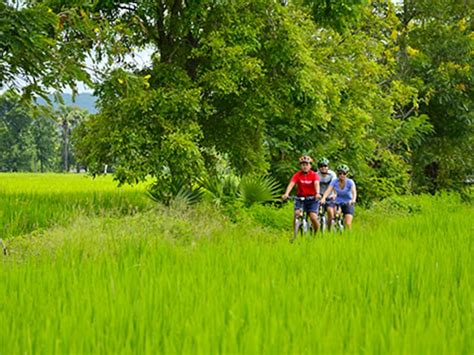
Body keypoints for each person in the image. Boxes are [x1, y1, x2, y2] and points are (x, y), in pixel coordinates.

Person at [282, 155, 321, 232]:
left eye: (307, 164)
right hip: (300, 198)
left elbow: (316, 184)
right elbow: (291, 184)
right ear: (300, 166)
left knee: (313, 217)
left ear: (310, 166)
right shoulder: (297, 175)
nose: (305, 167)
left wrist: (317, 193)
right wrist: (286, 193)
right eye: (303, 165)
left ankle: (317, 233)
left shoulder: (314, 175)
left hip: (312, 199)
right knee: (296, 214)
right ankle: (295, 234)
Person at [320, 164, 357, 230]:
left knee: (348, 223)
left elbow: (354, 192)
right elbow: (328, 190)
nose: (342, 175)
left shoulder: (350, 182)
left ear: (347, 174)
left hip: (348, 202)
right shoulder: (335, 181)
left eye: (344, 173)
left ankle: (349, 236)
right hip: (338, 202)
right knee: (334, 216)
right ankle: (334, 228)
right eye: (340, 173)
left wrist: (353, 200)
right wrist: (323, 198)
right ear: (337, 174)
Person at [316, 157, 337, 229]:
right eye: (321, 166)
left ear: (328, 166)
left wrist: (335, 194)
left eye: (325, 166)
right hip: (320, 195)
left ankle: (329, 228)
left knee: (330, 211)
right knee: (315, 212)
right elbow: (314, 186)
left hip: (330, 195)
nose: (323, 168)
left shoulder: (332, 174)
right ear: (318, 167)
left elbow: (333, 186)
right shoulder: (316, 175)